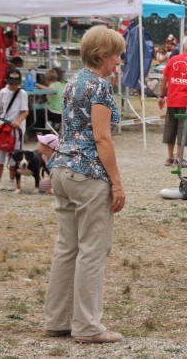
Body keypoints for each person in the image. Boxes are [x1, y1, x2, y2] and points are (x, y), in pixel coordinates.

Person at [44, 25, 127, 344]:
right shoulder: (100, 87)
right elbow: (102, 137)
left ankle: (58, 319)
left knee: (67, 248)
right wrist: (116, 183)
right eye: (117, 54)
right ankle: (87, 325)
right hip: (89, 173)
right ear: (103, 55)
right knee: (93, 250)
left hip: (63, 169)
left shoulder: (72, 82)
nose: (119, 61)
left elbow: (70, 127)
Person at [159, 36, 187, 166]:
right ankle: (178, 158)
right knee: (183, 129)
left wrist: (161, 95)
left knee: (170, 128)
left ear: (183, 46)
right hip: (186, 102)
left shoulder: (173, 59)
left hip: (172, 100)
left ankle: (169, 157)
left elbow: (163, 79)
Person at [0, 68, 29, 191]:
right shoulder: (3, 92)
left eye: (16, 83)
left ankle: (11, 181)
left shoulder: (22, 93)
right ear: (7, 81)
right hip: (3, 127)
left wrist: (18, 121)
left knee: (15, 156)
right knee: (0, 153)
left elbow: (25, 111)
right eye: (11, 83)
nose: (14, 86)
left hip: (16, 129)